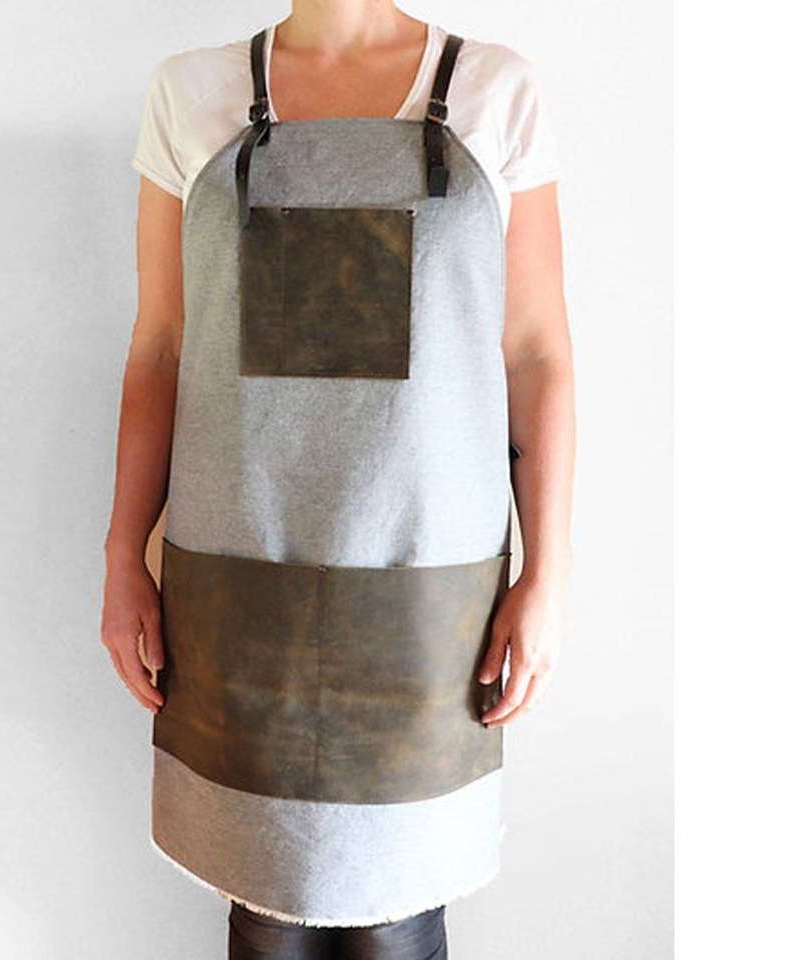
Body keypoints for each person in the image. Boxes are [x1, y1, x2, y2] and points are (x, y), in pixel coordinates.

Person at [102, 3, 575, 957]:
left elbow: (535, 353)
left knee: (401, 914)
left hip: (427, 592)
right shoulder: (191, 92)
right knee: (264, 910)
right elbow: (160, 347)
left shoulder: (495, 89)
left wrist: (547, 574)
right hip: (239, 578)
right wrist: (122, 556)